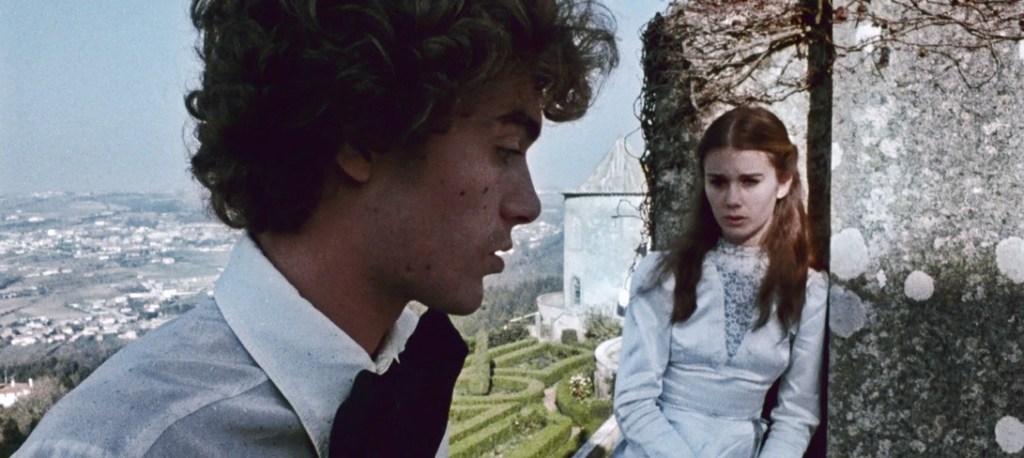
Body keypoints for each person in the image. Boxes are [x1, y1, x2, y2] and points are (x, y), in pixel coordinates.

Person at [16, 1, 617, 456]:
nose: (528, 204)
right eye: (506, 149)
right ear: (363, 137)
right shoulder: (122, 444)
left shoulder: (401, 380)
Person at [612, 106, 827, 457]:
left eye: (750, 181)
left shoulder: (807, 290)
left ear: (783, 182)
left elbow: (797, 414)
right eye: (718, 182)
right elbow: (633, 400)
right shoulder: (663, 274)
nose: (732, 200)